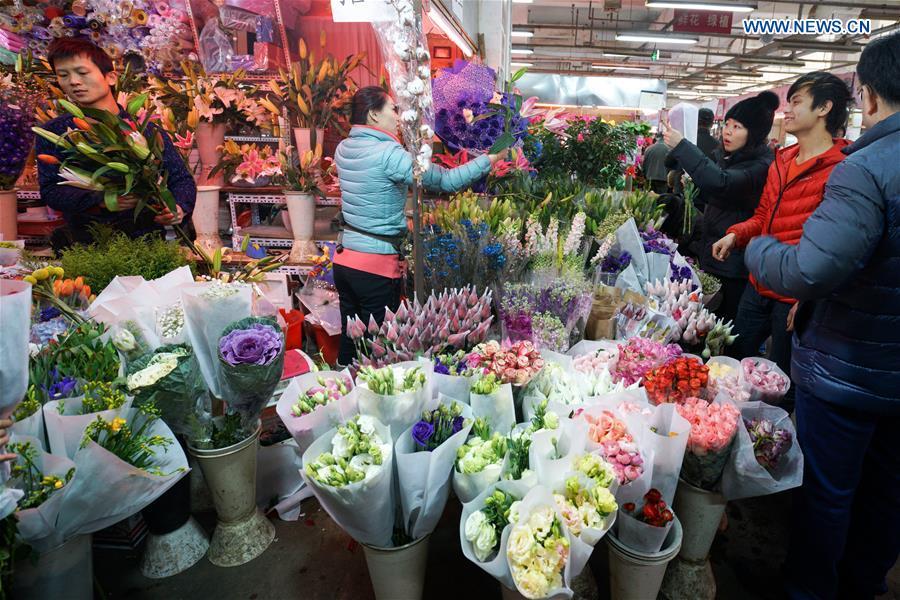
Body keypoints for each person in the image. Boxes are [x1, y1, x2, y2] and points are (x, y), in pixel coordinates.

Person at [745, 33, 900, 600]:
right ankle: (864, 585)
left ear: (868, 95)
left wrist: (757, 250)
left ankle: (811, 589)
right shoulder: (791, 161)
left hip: (849, 364)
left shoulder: (862, 167)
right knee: (886, 492)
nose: (786, 112)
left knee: (829, 491)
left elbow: (813, 268)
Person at [332, 86, 508, 366]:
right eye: (393, 109)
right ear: (374, 115)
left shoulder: (344, 148)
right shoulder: (389, 155)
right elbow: (446, 181)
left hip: (344, 261)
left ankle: (340, 394)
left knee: (350, 344)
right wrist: (489, 160)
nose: (398, 117)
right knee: (381, 352)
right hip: (374, 267)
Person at [712, 72, 852, 410]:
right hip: (756, 285)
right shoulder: (782, 161)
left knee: (781, 383)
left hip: (793, 296)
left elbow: (835, 249)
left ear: (824, 108)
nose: (786, 111)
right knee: (735, 368)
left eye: (796, 102)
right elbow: (763, 216)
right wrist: (737, 233)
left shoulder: (842, 170)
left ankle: (769, 448)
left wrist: (808, 297)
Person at [36, 38, 195, 253]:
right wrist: (101, 200)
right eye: (63, 75)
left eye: (82, 73)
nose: (73, 81)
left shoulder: (142, 127)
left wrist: (178, 207)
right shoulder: (55, 133)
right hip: (88, 245)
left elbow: (181, 179)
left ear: (110, 77)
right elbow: (51, 191)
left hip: (147, 245)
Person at [662, 92, 777, 325]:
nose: (727, 131)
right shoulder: (729, 158)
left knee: (723, 325)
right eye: (727, 124)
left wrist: (682, 146)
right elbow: (718, 194)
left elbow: (722, 183)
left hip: (734, 263)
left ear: (754, 133)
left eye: (737, 127)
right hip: (713, 253)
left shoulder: (760, 166)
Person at [664, 107, 721, 202]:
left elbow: (668, 162)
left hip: (682, 190)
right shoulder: (719, 146)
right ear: (711, 124)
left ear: (695, 121)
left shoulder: (685, 142)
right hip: (706, 194)